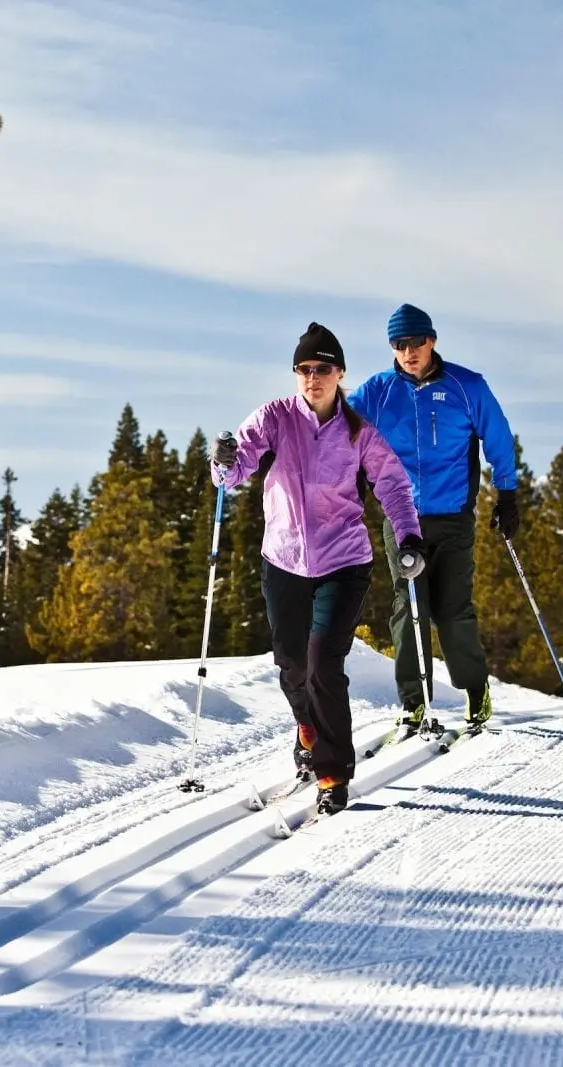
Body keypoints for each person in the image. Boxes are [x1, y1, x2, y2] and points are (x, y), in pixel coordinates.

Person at [211, 322, 423, 816]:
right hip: (284, 559)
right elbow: (237, 467)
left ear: (339, 373)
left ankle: (332, 773)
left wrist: (409, 534)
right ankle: (305, 726)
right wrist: (222, 460)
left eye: (322, 368)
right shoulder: (275, 417)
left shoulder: (357, 431)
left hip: (343, 561)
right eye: (304, 369)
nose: (312, 377)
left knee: (324, 660)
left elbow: (391, 484)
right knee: (292, 664)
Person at [347, 303, 519, 733]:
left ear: (432, 340)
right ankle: (413, 702)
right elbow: (335, 427)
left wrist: (508, 493)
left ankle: (474, 689)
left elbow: (498, 436)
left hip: (455, 516)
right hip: (401, 518)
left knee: (452, 610)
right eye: (399, 344)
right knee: (409, 608)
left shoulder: (467, 386)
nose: (408, 351)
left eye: (415, 342)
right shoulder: (378, 391)